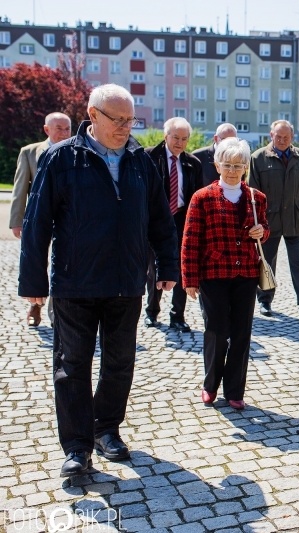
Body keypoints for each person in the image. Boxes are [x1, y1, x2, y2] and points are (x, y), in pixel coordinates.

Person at [18, 84, 179, 477]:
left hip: (126, 280)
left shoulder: (141, 160)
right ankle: (77, 447)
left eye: (131, 120)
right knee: (71, 366)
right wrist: (33, 284)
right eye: (118, 119)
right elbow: (37, 222)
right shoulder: (61, 158)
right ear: (92, 115)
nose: (126, 127)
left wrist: (168, 267)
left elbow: (160, 218)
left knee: (120, 362)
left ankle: (106, 428)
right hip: (76, 282)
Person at [182, 137, 268, 410]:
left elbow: (264, 229)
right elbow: (190, 239)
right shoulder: (203, 197)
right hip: (214, 274)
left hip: (246, 275)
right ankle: (210, 385)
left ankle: (234, 390)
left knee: (242, 333)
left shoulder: (256, 198)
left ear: (246, 167)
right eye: (227, 164)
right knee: (217, 331)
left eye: (238, 165)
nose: (232, 170)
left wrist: (261, 232)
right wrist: (190, 279)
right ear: (217, 165)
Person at [249, 119, 299, 318]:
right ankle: (264, 301)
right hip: (268, 221)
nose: (282, 140)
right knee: (266, 262)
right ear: (271, 135)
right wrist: (255, 221)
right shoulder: (259, 158)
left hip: (296, 218)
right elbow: (252, 194)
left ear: (292, 137)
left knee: (298, 262)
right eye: (278, 136)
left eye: (286, 137)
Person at [10, 112, 72, 326]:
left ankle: (57, 314)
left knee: (61, 264)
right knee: (38, 262)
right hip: (39, 219)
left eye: (67, 129)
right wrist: (17, 221)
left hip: (67, 222)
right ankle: (35, 304)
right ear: (47, 129)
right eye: (59, 128)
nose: (64, 133)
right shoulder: (29, 153)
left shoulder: (76, 151)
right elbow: (19, 190)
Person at [144, 117, 203, 332]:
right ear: (165, 135)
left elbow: (196, 196)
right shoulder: (149, 157)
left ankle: (177, 315)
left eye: (184, 139)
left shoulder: (192, 163)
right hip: (155, 220)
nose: (179, 142)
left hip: (181, 220)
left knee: (181, 268)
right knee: (155, 268)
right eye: (175, 137)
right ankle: (152, 311)